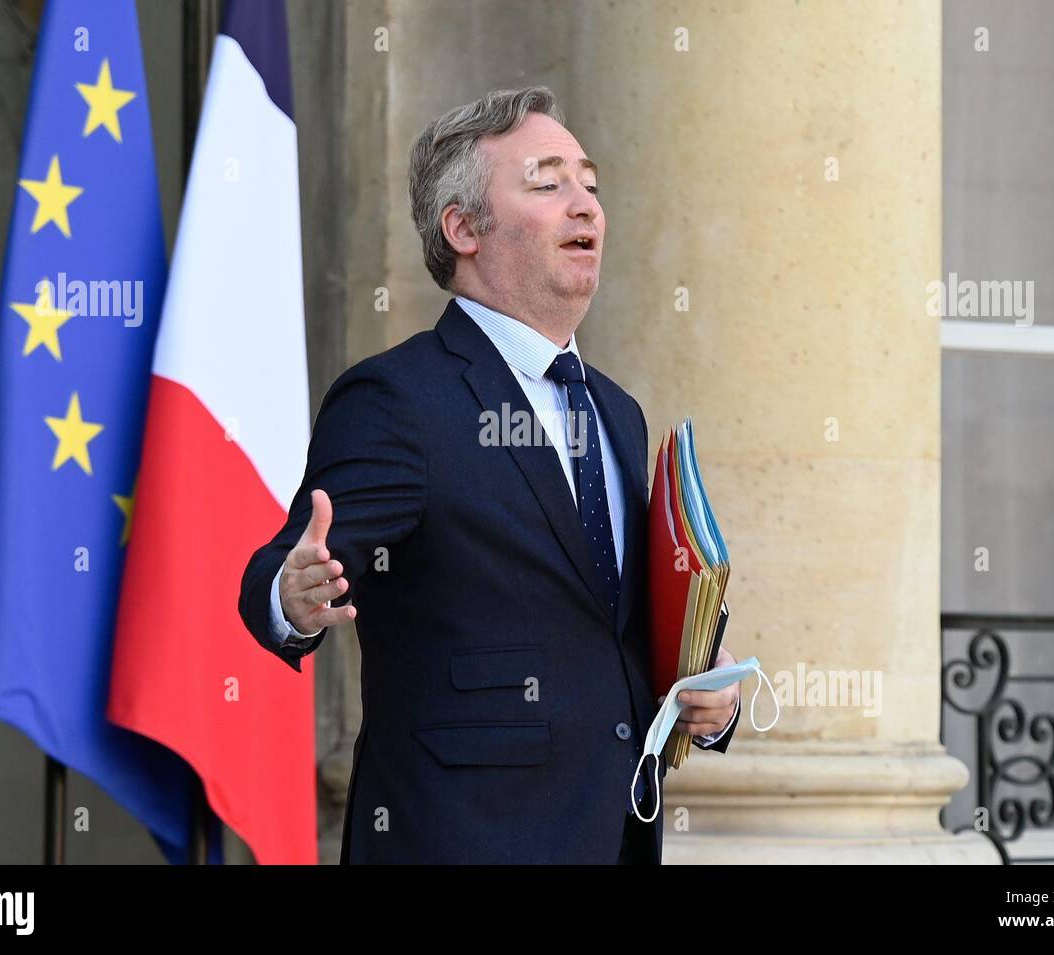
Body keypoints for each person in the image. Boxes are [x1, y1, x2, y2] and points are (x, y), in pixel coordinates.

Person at [239, 86, 740, 864]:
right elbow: (281, 567)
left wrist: (708, 690)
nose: (586, 205)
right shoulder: (399, 399)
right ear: (465, 227)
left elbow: (608, 627)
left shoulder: (617, 411)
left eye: (590, 184)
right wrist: (292, 597)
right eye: (548, 183)